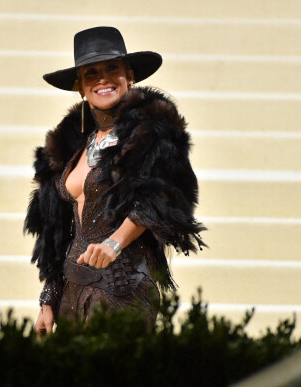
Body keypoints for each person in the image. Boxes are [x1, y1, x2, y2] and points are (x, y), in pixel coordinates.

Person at [24, 27, 205, 337]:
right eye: (91, 73)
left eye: (112, 68)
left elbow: (161, 197)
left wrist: (114, 242)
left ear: (129, 75)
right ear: (79, 87)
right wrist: (48, 300)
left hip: (123, 289)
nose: (103, 78)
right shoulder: (74, 143)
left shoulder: (152, 133)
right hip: (71, 294)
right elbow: (58, 230)